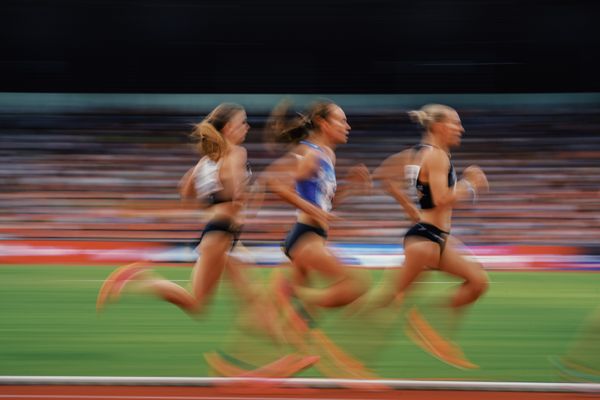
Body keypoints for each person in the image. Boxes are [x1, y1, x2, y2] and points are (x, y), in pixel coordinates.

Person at [96, 102, 259, 315]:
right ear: (228, 127)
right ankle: (139, 277)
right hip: (222, 234)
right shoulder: (237, 153)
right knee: (204, 303)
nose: (247, 127)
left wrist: (213, 200)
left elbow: (186, 192)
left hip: (217, 233)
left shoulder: (205, 161)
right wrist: (247, 199)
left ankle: (139, 276)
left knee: (240, 297)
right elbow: (237, 195)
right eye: (243, 122)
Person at [374, 104, 489, 369]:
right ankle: (352, 346)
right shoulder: (437, 156)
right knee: (387, 302)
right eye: (455, 123)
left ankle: (425, 324)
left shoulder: (416, 154)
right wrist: (470, 183)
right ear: (437, 126)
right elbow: (441, 200)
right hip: (426, 237)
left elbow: (382, 175)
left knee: (478, 281)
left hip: (433, 236)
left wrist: (408, 206)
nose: (460, 129)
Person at [265, 98, 372, 311]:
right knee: (356, 285)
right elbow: (277, 186)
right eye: (341, 121)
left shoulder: (327, 155)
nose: (347, 126)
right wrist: (316, 212)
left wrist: (350, 186)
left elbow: (325, 204)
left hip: (314, 236)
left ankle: (252, 339)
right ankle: (291, 292)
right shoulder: (311, 154)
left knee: (298, 318)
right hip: (306, 237)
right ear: (323, 123)